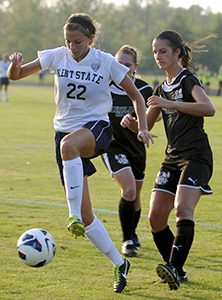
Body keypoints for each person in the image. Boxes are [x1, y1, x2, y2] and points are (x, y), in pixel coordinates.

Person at [8, 13, 155, 293]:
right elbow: (16, 76)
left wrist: (143, 127)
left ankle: (71, 215)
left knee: (70, 148)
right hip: (63, 133)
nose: (72, 47)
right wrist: (15, 65)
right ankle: (119, 263)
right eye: (68, 41)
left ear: (90, 38)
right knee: (88, 216)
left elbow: (136, 96)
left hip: (97, 127)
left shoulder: (105, 61)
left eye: (77, 42)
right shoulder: (57, 56)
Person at [121, 30, 215, 290]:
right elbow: (146, 126)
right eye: (155, 51)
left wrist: (170, 104)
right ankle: (177, 270)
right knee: (155, 218)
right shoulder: (161, 88)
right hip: (172, 157)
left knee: (183, 209)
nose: (158, 56)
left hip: (196, 156)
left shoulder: (188, 80)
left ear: (177, 52)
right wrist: (132, 124)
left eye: (163, 51)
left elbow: (209, 108)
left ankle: (173, 267)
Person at [102, 45, 153, 257]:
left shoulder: (144, 89)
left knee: (136, 195)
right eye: (119, 64)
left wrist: (138, 125)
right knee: (129, 190)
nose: (122, 68)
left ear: (135, 67)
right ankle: (126, 241)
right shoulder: (103, 86)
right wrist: (102, 130)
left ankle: (132, 233)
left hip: (137, 147)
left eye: (127, 65)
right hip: (113, 146)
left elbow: (153, 118)